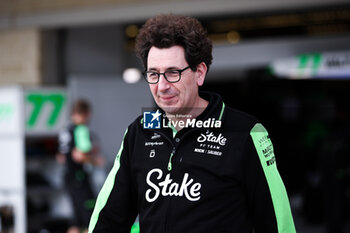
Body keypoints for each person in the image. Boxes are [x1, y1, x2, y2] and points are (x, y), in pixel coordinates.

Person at [88, 14, 296, 233]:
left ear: (199, 72)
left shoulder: (245, 133)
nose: (161, 86)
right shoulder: (139, 132)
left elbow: (278, 224)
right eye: (153, 74)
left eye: (172, 73)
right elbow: (108, 219)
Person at [57, 99, 104, 233]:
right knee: (90, 219)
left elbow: (60, 157)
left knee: (76, 221)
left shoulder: (65, 129)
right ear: (87, 113)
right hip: (80, 179)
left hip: (68, 178)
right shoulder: (81, 129)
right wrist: (96, 160)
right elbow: (79, 156)